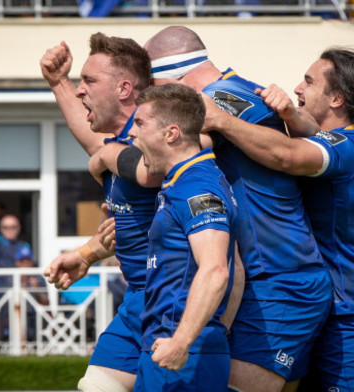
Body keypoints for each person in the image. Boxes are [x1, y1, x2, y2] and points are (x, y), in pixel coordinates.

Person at [91, 26, 331, 392]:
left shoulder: (213, 103)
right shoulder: (244, 90)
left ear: (176, 77)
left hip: (280, 280)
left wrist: (106, 155)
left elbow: (146, 161)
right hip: (259, 277)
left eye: (156, 87)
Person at [201, 47, 354, 390]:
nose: (297, 87)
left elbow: (285, 154)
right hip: (316, 316)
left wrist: (219, 119)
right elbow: (300, 136)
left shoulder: (350, 146)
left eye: (309, 82)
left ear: (336, 98)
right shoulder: (327, 138)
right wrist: (289, 114)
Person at [40, 32, 159, 392]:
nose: (80, 90)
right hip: (138, 300)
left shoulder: (157, 138)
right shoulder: (113, 143)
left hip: (173, 302)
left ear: (124, 89)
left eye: (88, 81)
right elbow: (96, 143)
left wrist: (105, 156)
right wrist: (58, 81)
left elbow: (149, 167)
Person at [127, 83, 238, 391]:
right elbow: (235, 266)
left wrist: (183, 341)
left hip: (180, 355)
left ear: (171, 133)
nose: (131, 134)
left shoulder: (196, 188)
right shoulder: (184, 183)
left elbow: (217, 270)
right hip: (174, 347)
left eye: (140, 124)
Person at [14, 246, 48, 342]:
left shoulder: (39, 278)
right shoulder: (12, 278)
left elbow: (46, 302)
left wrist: (36, 289)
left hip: (37, 317)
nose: (25, 264)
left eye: (28, 261)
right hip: (17, 318)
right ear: (17, 262)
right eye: (22, 261)